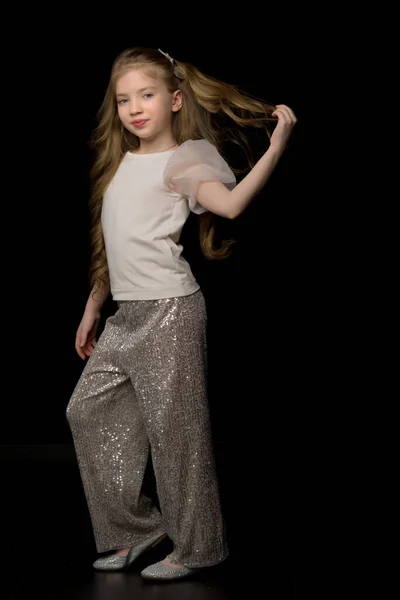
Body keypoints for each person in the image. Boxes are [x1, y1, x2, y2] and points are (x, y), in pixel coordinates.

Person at [66, 46, 297, 582]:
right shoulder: (121, 161)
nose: (134, 108)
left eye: (146, 96)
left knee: (177, 434)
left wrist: (278, 145)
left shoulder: (184, 160)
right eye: (124, 100)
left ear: (173, 100)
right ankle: (135, 530)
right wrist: (92, 308)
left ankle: (197, 547)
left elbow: (232, 205)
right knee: (85, 411)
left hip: (172, 312)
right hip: (126, 317)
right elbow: (116, 242)